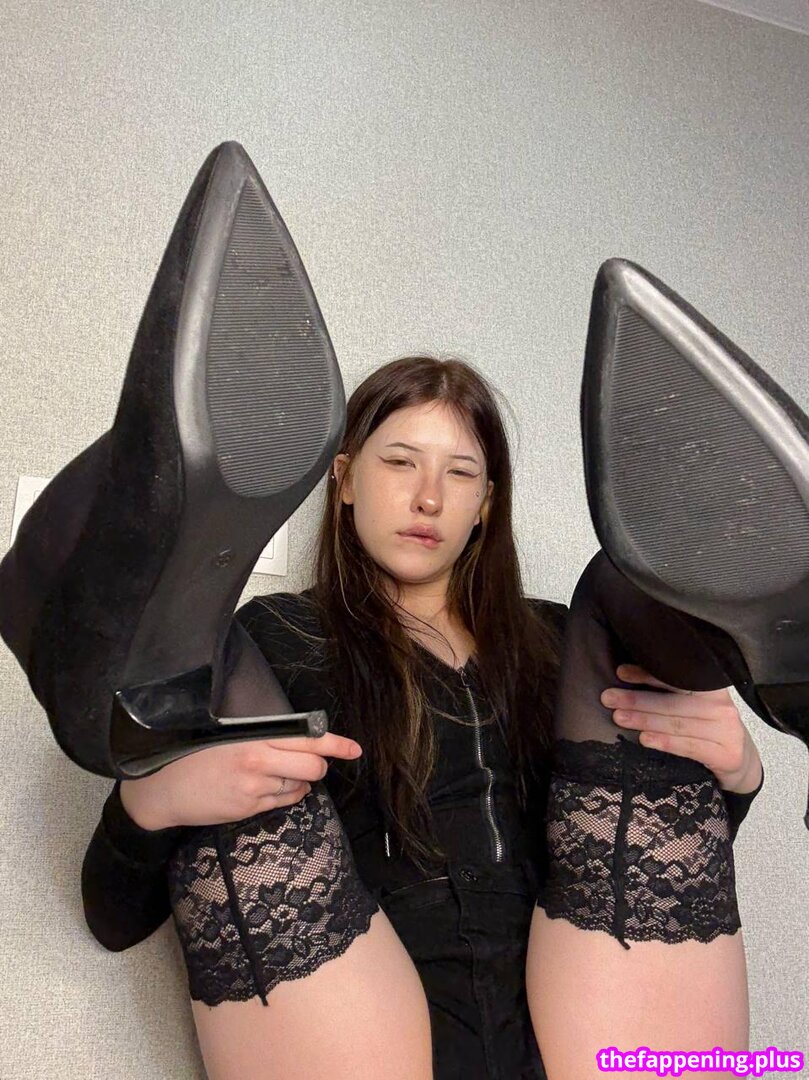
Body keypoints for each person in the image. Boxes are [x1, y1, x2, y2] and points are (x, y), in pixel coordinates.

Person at [80, 354, 765, 1080]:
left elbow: (647, 864)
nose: (429, 498)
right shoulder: (278, 640)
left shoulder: (562, 644)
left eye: (460, 474)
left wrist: (739, 779)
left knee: (615, 583)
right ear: (344, 479)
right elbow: (113, 918)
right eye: (400, 462)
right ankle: (127, 576)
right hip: (361, 1037)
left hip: (580, 1033)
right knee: (220, 662)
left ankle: (749, 574)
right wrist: (152, 802)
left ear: (487, 503)